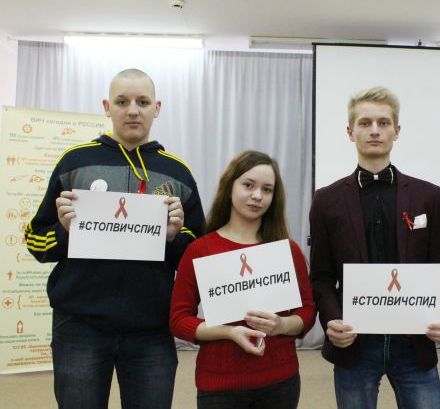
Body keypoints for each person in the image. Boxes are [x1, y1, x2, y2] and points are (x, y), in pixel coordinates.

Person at [24, 68, 205, 409]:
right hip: (79, 326)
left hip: (151, 329)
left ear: (157, 108)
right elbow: (36, 240)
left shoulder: (178, 172)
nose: (132, 110)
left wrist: (173, 238)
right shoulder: (75, 161)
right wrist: (64, 231)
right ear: (107, 107)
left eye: (142, 102)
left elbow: (198, 256)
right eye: (122, 102)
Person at [309, 86, 440, 409]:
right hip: (354, 342)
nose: (374, 130)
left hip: (415, 340)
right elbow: (320, 276)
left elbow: (437, 270)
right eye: (365, 123)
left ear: (397, 131)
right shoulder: (326, 200)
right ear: (350, 132)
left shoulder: (427, 196)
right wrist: (332, 319)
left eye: (383, 122)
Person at [170, 150, 316, 409]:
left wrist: (281, 325)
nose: (257, 196)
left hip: (280, 381)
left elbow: (307, 311)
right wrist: (228, 332)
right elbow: (179, 320)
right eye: (248, 185)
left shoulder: (288, 250)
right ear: (229, 187)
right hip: (220, 385)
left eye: (267, 189)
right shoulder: (200, 250)